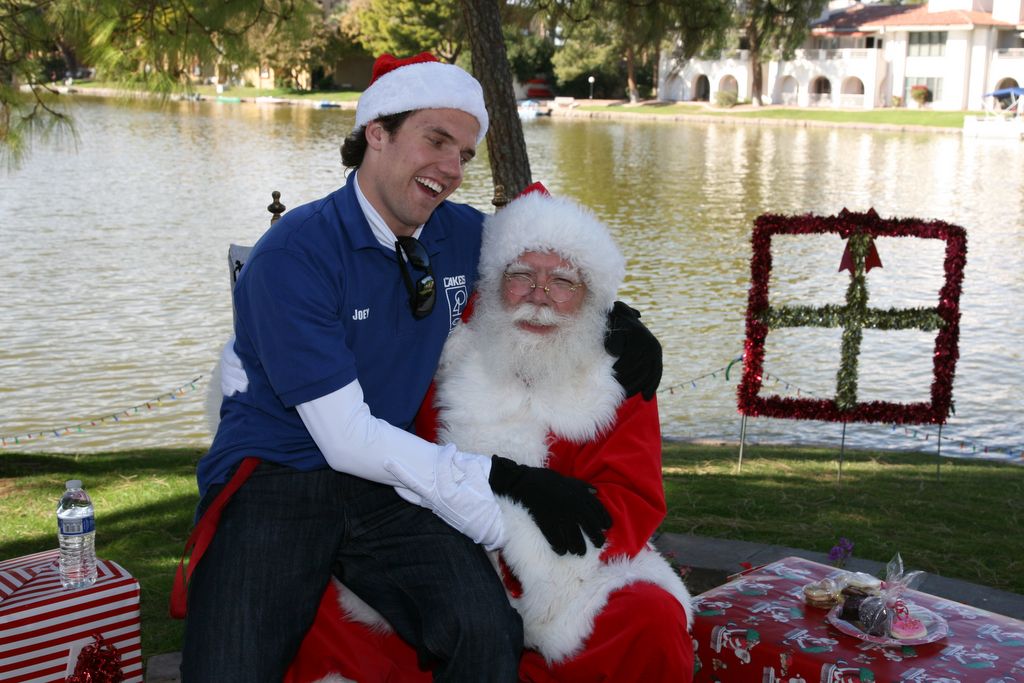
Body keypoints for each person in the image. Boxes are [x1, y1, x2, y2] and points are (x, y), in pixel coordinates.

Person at [178, 53, 661, 681]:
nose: (451, 169)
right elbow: (345, 438)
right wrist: (506, 478)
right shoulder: (295, 256)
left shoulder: (454, 232)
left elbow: (540, 259)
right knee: (231, 667)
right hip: (282, 474)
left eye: (463, 153)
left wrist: (619, 318)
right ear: (377, 132)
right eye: (436, 141)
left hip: (389, 483)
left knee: (484, 633)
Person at [285, 184, 694, 683]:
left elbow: (631, 499)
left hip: (567, 573)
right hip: (436, 554)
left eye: (562, 281)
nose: (540, 295)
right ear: (491, 284)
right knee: (327, 605)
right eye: (521, 275)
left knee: (650, 619)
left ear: (591, 297)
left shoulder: (619, 374)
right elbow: (383, 448)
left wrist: (531, 565)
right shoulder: (439, 352)